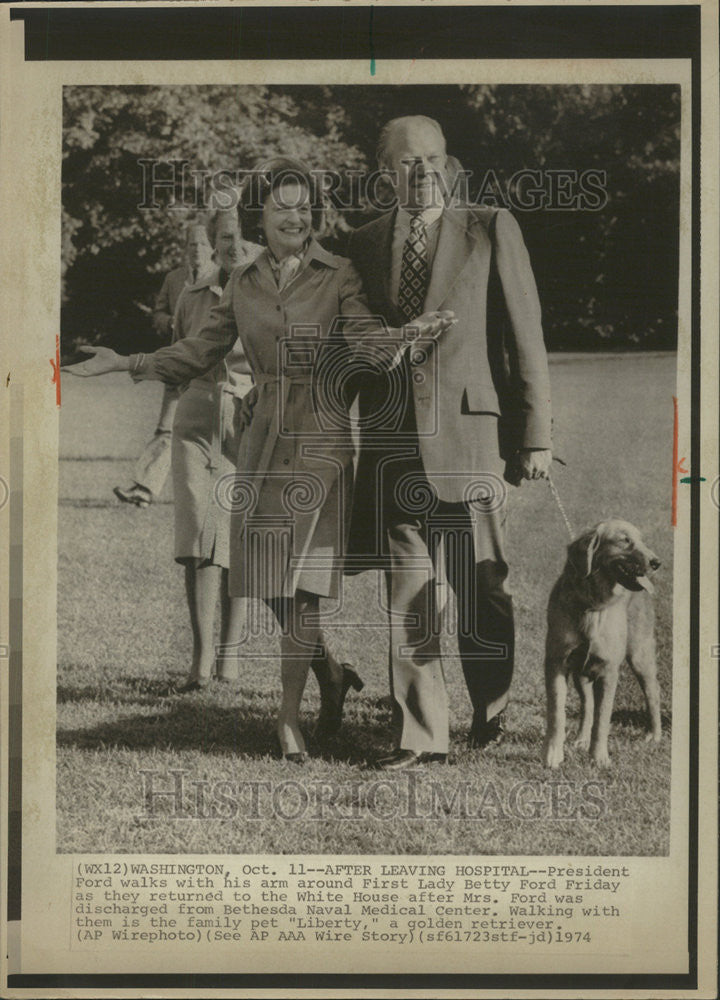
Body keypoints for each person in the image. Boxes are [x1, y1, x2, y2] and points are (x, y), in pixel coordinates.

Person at [64, 158, 454, 761]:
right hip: (261, 437)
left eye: (303, 206)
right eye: (281, 207)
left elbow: (362, 337)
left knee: (299, 582)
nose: (295, 217)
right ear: (261, 218)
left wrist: (403, 338)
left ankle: (287, 720)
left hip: (321, 437)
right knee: (263, 575)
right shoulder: (242, 282)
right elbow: (199, 349)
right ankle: (329, 671)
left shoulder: (340, 273)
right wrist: (128, 362)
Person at [346, 115, 553, 770]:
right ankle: (420, 734)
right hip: (393, 442)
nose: (423, 171)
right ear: (386, 172)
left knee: (480, 585)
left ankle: (489, 707)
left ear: (449, 162)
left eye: (433, 158)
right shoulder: (364, 242)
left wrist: (535, 435)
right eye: (408, 162)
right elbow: (352, 345)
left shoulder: (489, 228)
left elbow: (526, 336)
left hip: (473, 440)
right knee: (409, 591)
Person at [166, 209, 260, 689]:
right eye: (226, 237)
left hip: (249, 422)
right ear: (215, 242)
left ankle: (231, 656)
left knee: (237, 539)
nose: (234, 246)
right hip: (197, 420)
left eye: (243, 237)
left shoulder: (274, 290)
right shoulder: (193, 293)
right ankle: (201, 662)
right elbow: (181, 354)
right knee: (197, 540)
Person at [114, 223, 214, 508]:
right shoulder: (174, 279)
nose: (197, 250)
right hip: (177, 366)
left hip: (209, 371)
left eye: (203, 244)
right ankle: (144, 488)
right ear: (185, 248)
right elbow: (159, 312)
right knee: (166, 428)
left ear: (214, 248)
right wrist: (167, 321)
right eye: (192, 244)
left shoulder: (223, 280)